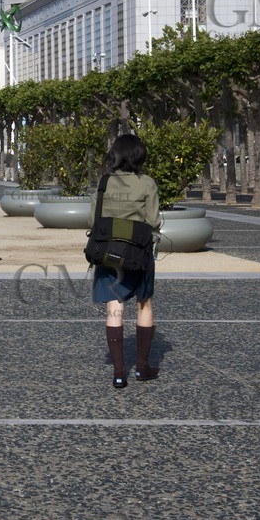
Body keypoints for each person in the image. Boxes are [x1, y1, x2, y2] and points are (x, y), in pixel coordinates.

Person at [92, 133, 162, 389]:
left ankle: (119, 372)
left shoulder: (104, 182)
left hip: (109, 252)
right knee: (144, 303)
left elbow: (92, 219)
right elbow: (153, 221)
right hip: (138, 252)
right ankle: (142, 367)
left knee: (114, 305)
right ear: (139, 155)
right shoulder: (147, 183)